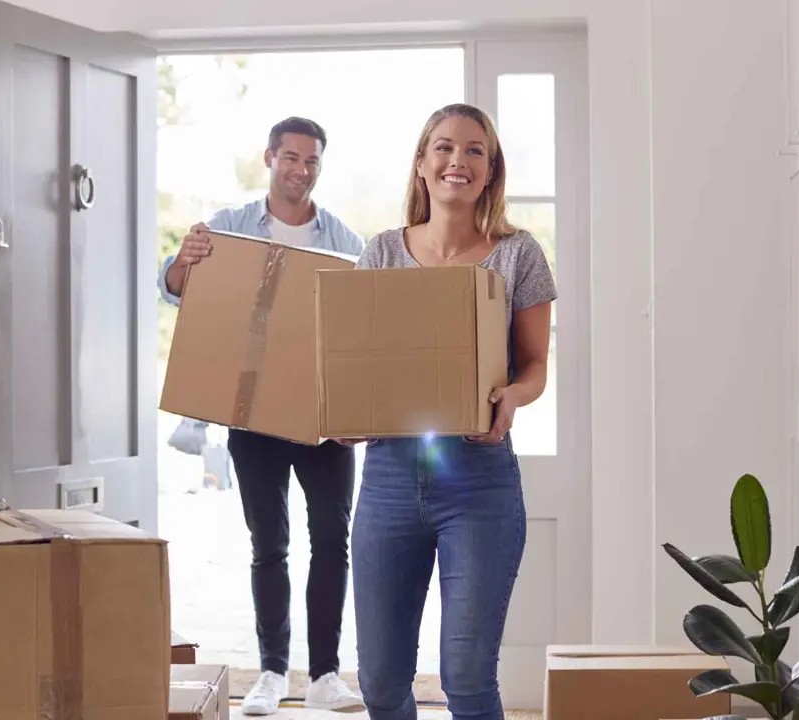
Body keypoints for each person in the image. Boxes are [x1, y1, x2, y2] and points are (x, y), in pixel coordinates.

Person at [341, 103, 557, 720]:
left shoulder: (518, 257)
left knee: (465, 676)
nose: (456, 161)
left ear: (490, 172)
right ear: (421, 164)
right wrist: (346, 414)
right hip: (387, 478)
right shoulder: (381, 253)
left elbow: (535, 364)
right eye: (443, 147)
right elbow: (357, 365)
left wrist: (511, 398)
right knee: (381, 682)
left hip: (480, 483)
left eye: (473, 151)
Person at [157, 116, 365, 715]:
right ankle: (272, 673)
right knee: (268, 545)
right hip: (252, 419)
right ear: (270, 158)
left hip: (324, 421)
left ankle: (324, 675)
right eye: (291, 158)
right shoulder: (228, 228)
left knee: (332, 542)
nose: (301, 170)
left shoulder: (347, 240)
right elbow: (174, 288)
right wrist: (184, 259)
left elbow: (360, 332)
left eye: (312, 161)